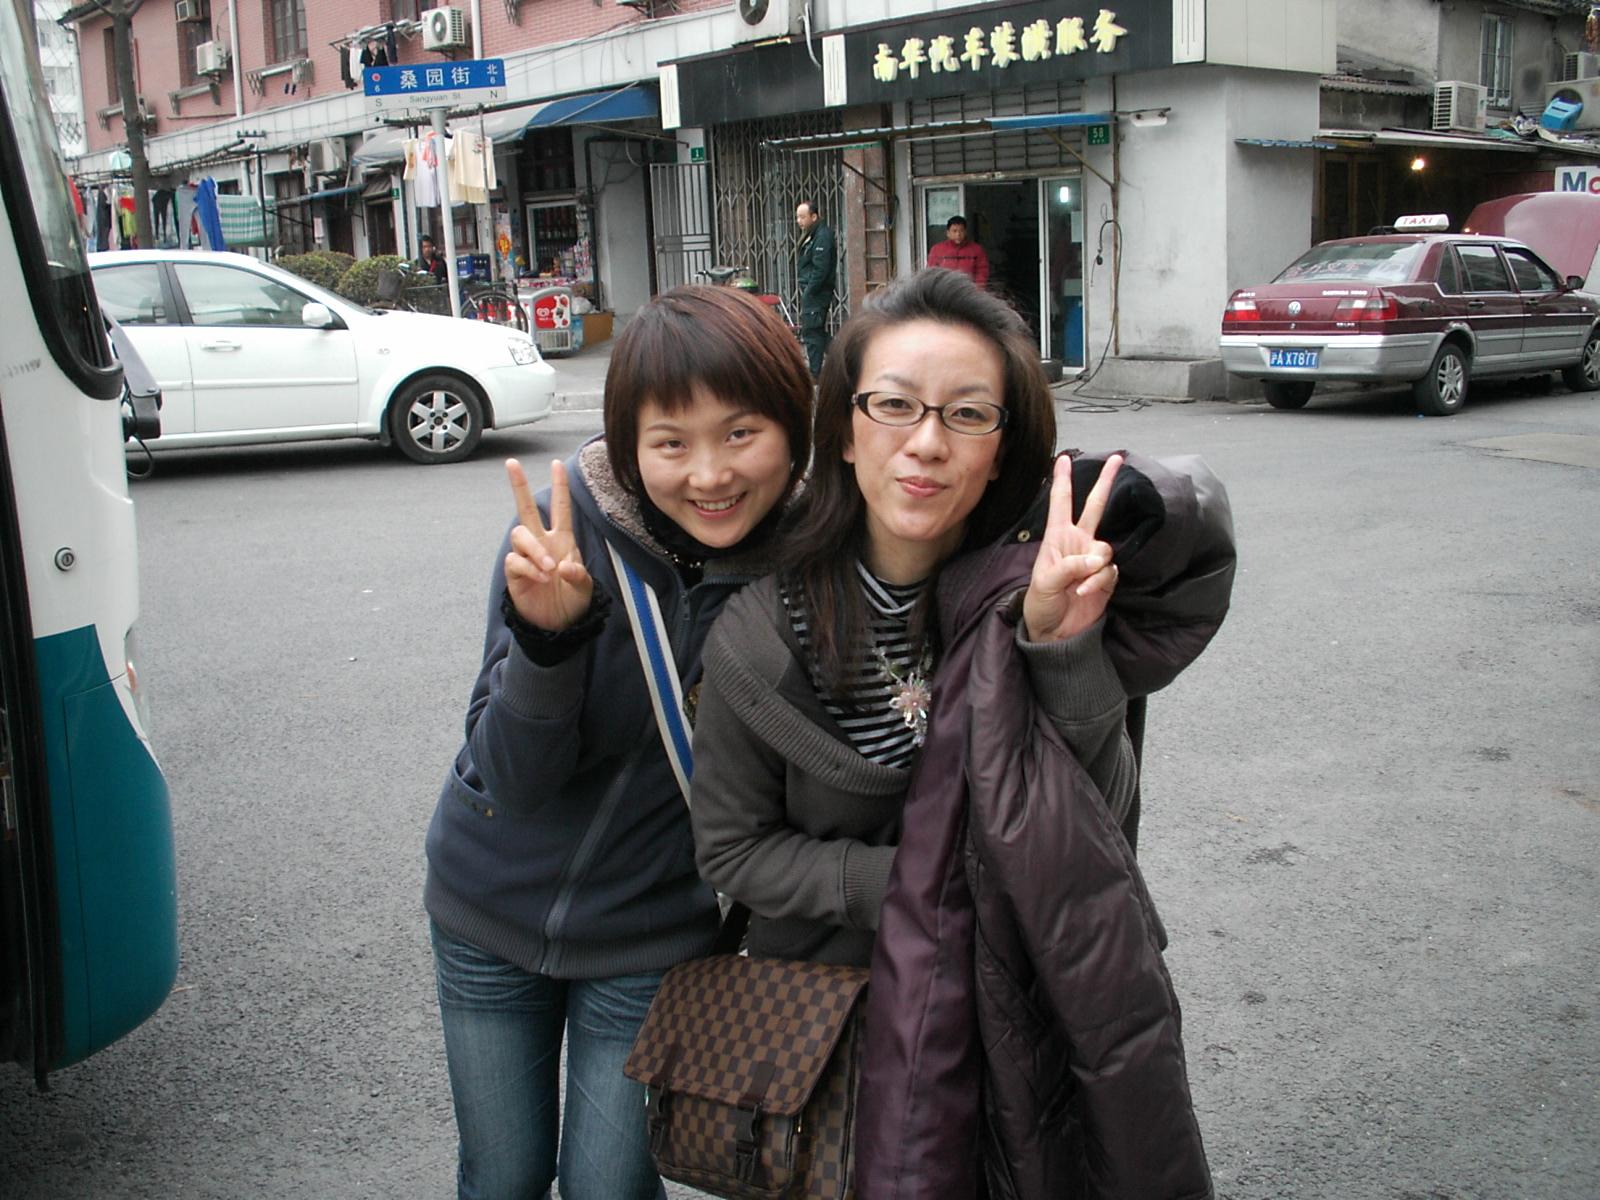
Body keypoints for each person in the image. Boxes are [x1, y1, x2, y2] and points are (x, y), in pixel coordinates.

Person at [689, 268, 1231, 1198]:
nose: (927, 443)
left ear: (1001, 448)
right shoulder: (761, 634)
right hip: (828, 1028)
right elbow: (735, 850)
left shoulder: (1033, 594)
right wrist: (921, 889)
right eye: (895, 405)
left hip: (1010, 1020)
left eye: (968, 414)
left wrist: (1063, 651)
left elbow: (1098, 823)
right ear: (845, 431)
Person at [423, 286, 814, 1200]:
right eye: (671, 442)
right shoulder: (564, 536)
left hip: (652, 934)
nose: (708, 474)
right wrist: (547, 642)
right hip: (487, 910)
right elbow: (514, 780)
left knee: (610, 1187)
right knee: (502, 1176)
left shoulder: (808, 569)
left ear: (794, 430)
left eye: (741, 433)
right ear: (631, 446)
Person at [795, 199, 837, 376]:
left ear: (814, 216)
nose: (799, 221)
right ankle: (843, 356)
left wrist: (810, 291)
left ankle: (815, 372)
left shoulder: (822, 236)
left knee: (812, 332)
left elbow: (821, 269)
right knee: (815, 331)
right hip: (813, 291)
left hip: (817, 292)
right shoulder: (812, 234)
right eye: (797, 217)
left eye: (803, 217)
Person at [925, 215, 990, 289]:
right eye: (954, 231)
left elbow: (982, 271)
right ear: (948, 233)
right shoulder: (937, 249)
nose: (958, 234)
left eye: (961, 231)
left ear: (965, 232)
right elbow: (931, 272)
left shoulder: (977, 249)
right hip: (944, 290)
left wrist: (977, 288)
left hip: (968, 290)